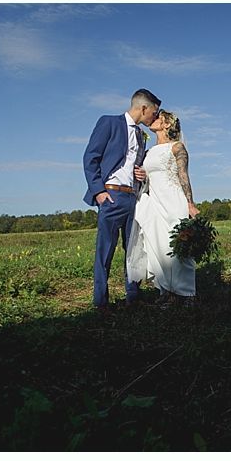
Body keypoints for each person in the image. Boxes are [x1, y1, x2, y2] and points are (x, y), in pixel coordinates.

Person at [83, 88, 161, 312]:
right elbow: (91, 158)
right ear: (143, 108)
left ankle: (133, 297)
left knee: (134, 248)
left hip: (133, 198)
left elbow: (136, 163)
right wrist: (98, 191)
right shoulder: (109, 123)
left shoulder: (140, 134)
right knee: (105, 251)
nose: (154, 117)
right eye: (153, 113)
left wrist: (142, 174)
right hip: (112, 196)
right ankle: (101, 302)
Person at [126, 110, 200, 307]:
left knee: (178, 247)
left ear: (167, 124)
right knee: (156, 247)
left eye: (159, 117)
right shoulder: (149, 152)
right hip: (154, 201)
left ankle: (187, 294)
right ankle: (166, 292)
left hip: (174, 201)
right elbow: (149, 175)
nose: (154, 119)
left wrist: (190, 203)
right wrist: (143, 176)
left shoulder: (177, 147)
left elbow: (183, 176)